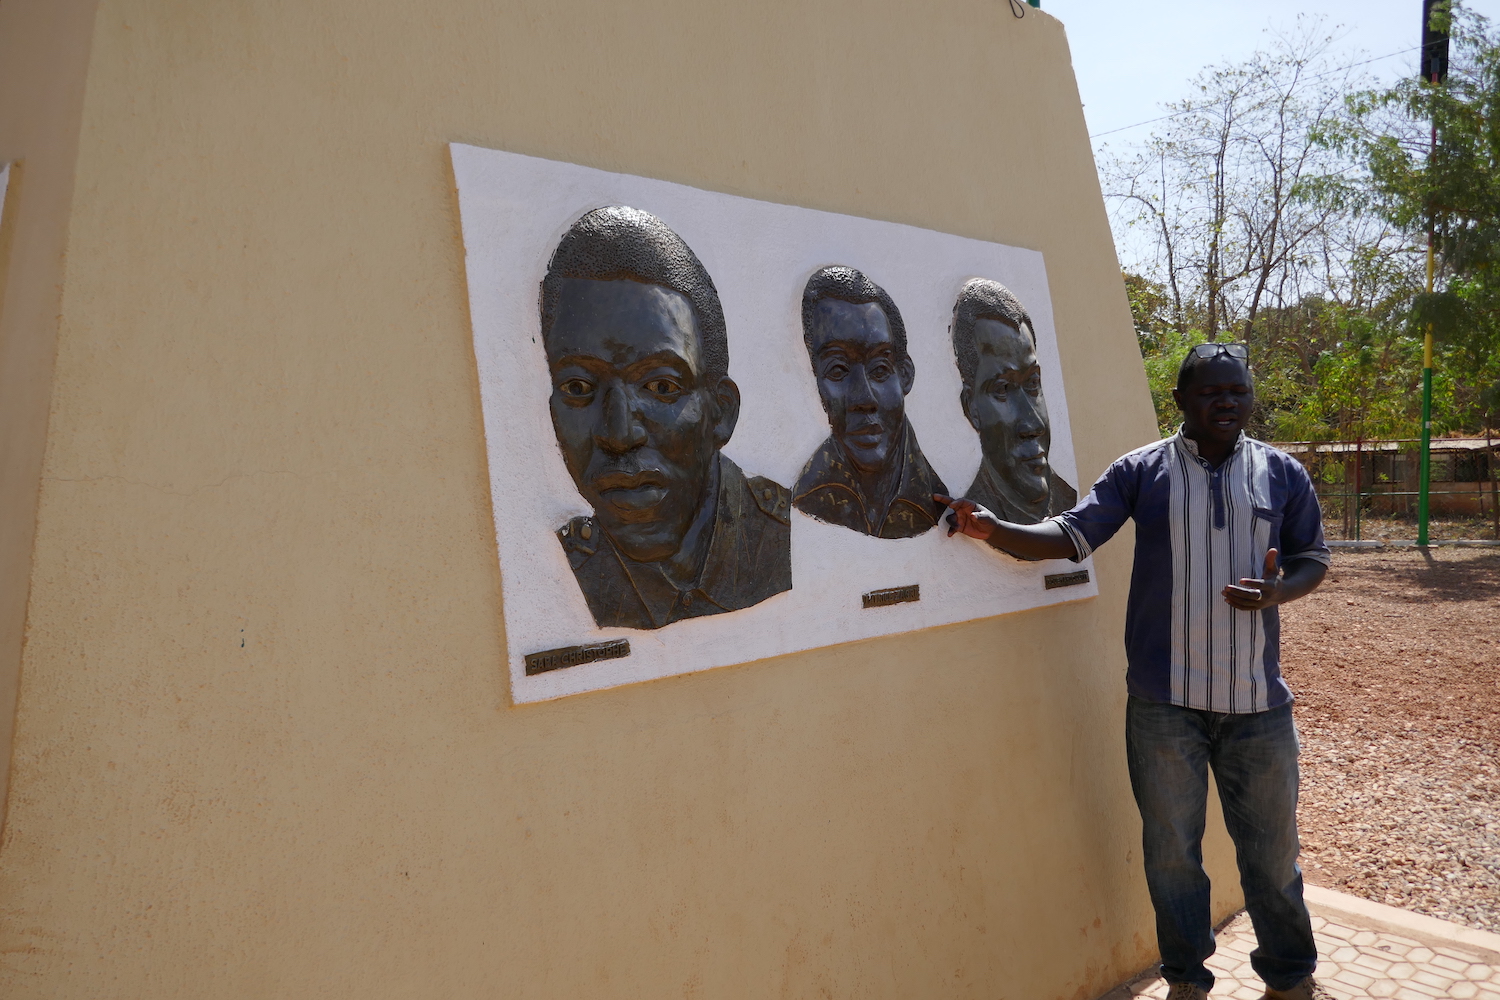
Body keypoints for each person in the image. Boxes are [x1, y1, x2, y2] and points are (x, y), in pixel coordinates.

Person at [937, 343, 1332, 1000]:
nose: (1227, 402)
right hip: (1164, 707)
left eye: (1237, 391)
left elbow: (1311, 559)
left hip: (1258, 707)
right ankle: (1185, 979)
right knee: (1173, 857)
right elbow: (1072, 534)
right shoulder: (1141, 472)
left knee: (1270, 858)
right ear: (1180, 401)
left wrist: (1278, 592)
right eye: (1210, 392)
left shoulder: (1281, 474)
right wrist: (994, 528)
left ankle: (1290, 979)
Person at [540, 206, 792, 630]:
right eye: (579, 388)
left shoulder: (785, 536)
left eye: (661, 387)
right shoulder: (559, 570)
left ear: (721, 412)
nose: (619, 434)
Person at [793, 266, 947, 538]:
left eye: (879, 369)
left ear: (905, 376)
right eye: (838, 370)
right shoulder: (809, 494)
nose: (864, 399)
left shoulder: (936, 500)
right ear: (815, 380)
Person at [949, 277, 1076, 523]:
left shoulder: (1072, 504)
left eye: (1032, 384)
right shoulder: (977, 505)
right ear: (971, 407)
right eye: (1003, 388)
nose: (1034, 424)